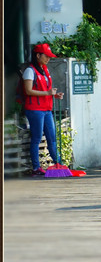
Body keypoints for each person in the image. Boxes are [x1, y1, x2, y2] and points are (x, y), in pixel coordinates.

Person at [21, 43, 65, 176]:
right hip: (34, 110)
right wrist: (47, 93)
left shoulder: (45, 70)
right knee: (36, 138)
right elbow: (28, 91)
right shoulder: (30, 71)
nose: (48, 59)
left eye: (49, 57)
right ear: (38, 55)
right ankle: (36, 168)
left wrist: (54, 95)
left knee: (52, 138)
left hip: (46, 109)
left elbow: (46, 90)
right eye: (46, 56)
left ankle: (59, 164)